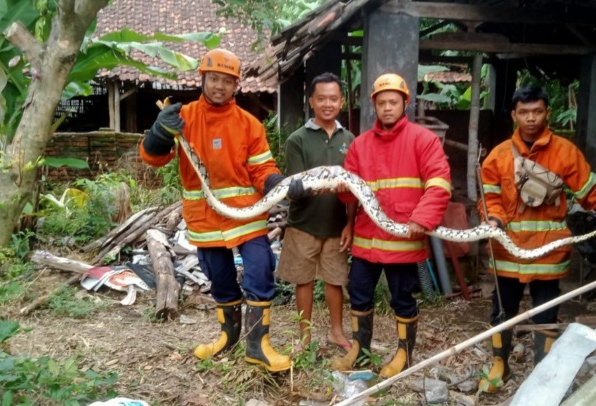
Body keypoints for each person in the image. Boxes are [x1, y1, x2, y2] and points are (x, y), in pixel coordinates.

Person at [139, 48, 307, 373]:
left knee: (259, 269)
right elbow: (153, 159)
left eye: (226, 81)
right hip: (205, 221)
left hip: (245, 218)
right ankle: (228, 338)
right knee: (220, 280)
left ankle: (258, 345)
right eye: (213, 79)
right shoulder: (183, 118)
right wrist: (159, 134)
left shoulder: (249, 124)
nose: (219, 86)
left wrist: (278, 184)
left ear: (236, 86)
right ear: (203, 79)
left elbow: (262, 169)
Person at [478, 85, 596, 392]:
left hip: (548, 253)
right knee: (502, 310)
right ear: (514, 115)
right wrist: (492, 218)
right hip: (507, 253)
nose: (531, 118)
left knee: (546, 313)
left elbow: (591, 190)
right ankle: (499, 365)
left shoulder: (564, 152)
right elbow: (489, 197)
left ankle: (541, 375)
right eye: (524, 112)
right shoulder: (498, 156)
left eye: (537, 111)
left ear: (547, 112)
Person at [331, 73, 451, 378]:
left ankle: (404, 354)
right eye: (381, 102)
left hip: (403, 244)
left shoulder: (423, 141)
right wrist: (336, 187)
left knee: (402, 300)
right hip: (366, 242)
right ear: (374, 105)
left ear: (405, 103)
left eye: (393, 102)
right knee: (359, 295)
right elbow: (350, 190)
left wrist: (423, 219)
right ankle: (360, 350)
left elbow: (439, 184)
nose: (387, 107)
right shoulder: (360, 145)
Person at [276, 72, 356, 350]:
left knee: (335, 281)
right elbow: (298, 183)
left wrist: (350, 224)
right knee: (304, 280)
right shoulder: (297, 139)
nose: (327, 104)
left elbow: (355, 188)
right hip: (303, 224)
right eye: (321, 98)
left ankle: (336, 332)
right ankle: (305, 337)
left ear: (341, 102)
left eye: (333, 98)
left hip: (337, 225)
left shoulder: (350, 139)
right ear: (311, 101)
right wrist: (316, 186)